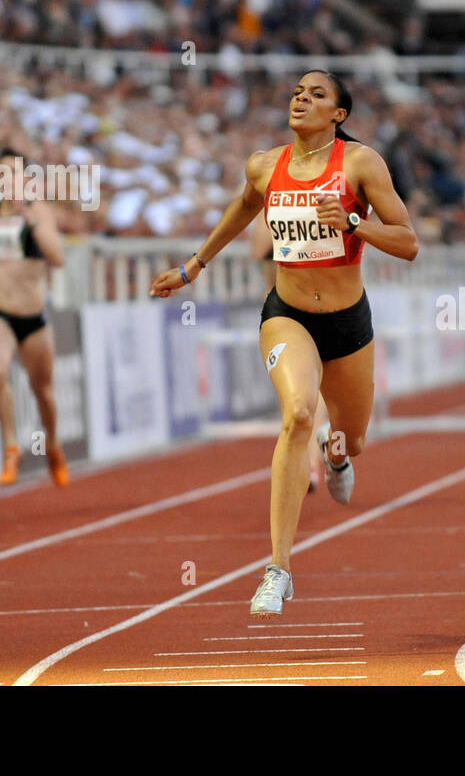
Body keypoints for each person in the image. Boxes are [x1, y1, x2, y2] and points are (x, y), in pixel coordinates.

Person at [150, 70, 418, 616]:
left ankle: (335, 458)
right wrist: (194, 265)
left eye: (318, 94)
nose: (302, 98)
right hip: (287, 313)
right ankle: (278, 570)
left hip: (347, 323)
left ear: (338, 115)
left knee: (352, 440)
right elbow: (243, 208)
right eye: (298, 91)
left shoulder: (361, 164)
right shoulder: (265, 164)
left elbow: (409, 243)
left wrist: (353, 224)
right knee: (297, 414)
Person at [0, 150, 69, 488]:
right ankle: (11, 446)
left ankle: (52, 445)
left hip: (32, 314)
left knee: (42, 389)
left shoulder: (39, 211)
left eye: (14, 173)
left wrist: (28, 215)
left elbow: (57, 258)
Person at [250, 221, 329, 494]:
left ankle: (309, 461)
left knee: (310, 391)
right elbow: (260, 254)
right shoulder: (268, 215)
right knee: (299, 395)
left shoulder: (315, 206)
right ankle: (309, 458)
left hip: (313, 307)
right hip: (285, 313)